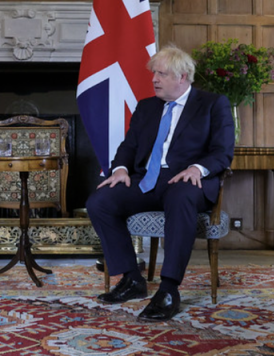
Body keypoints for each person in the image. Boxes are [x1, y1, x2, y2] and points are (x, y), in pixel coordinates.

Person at [86, 44, 234, 322]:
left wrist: (197, 168)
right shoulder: (146, 107)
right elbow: (128, 147)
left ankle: (168, 290)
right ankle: (132, 279)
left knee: (180, 196)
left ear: (183, 77)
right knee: (100, 201)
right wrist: (119, 169)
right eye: (154, 73)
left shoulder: (213, 104)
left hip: (188, 181)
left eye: (162, 74)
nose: (154, 79)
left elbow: (223, 152)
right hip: (148, 181)